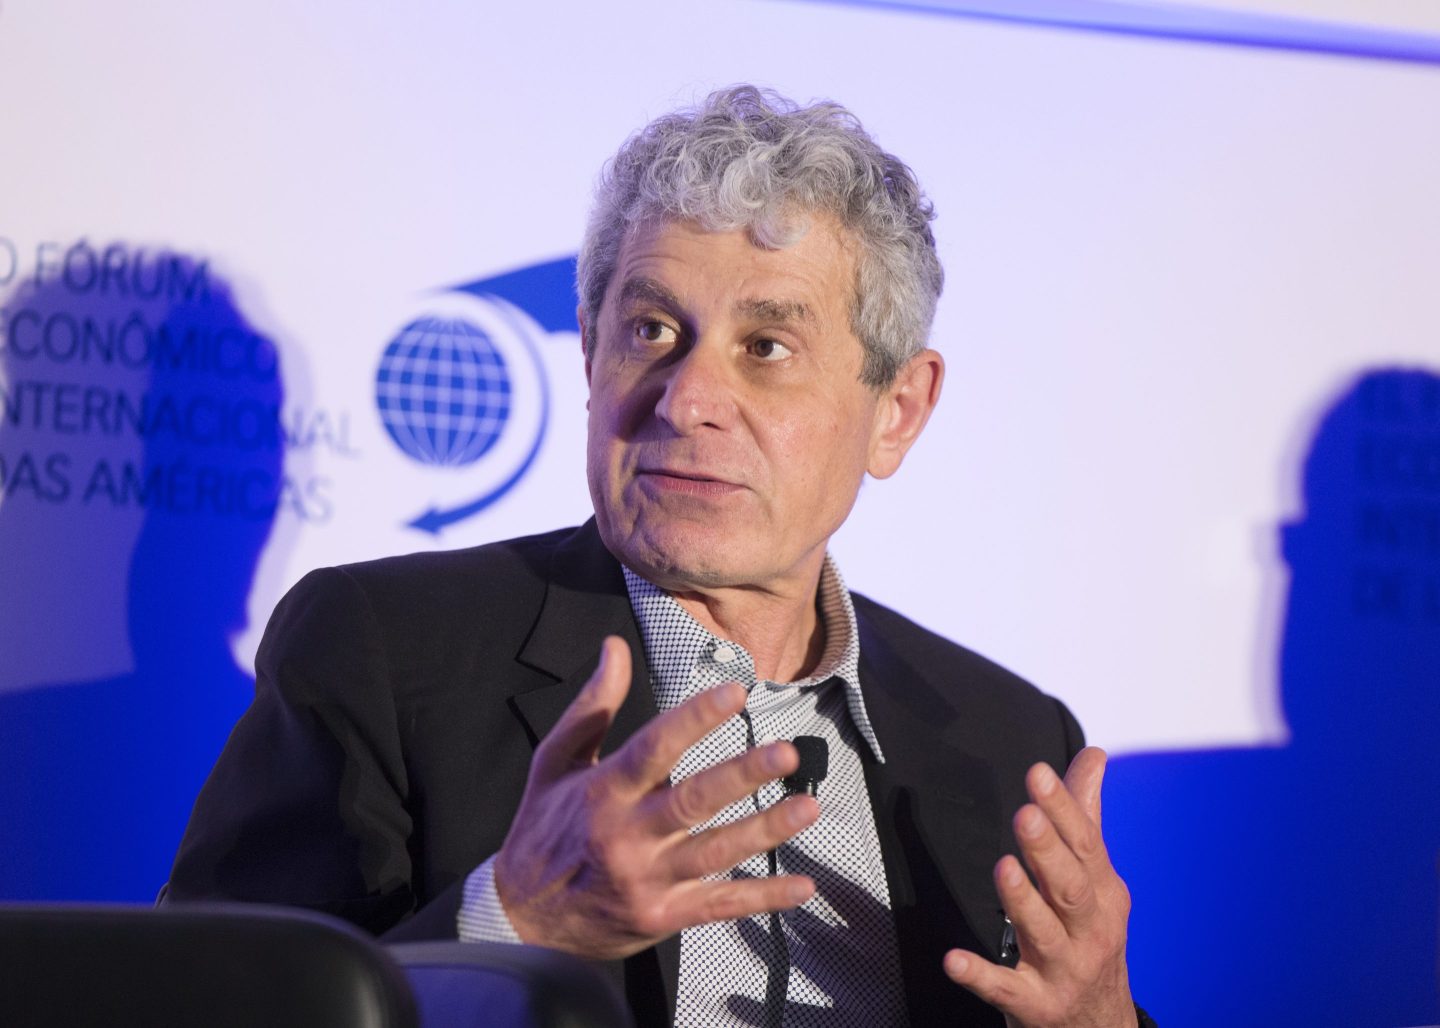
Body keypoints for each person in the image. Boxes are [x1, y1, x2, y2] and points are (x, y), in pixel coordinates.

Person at [168, 86, 1142, 1027]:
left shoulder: (1012, 740)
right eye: (651, 331)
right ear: (591, 358)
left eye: (766, 345)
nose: (684, 400)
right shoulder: (383, 654)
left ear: (898, 411)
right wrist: (516, 921)